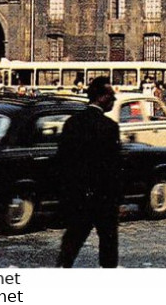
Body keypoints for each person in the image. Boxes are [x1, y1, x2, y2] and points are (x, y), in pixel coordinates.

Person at [56, 76, 121, 268]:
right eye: (111, 96)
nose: (114, 100)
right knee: (108, 245)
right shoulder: (109, 127)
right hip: (103, 198)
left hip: (78, 195)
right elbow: (113, 168)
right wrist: (117, 199)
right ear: (101, 97)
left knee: (72, 242)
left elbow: (62, 161)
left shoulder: (72, 123)